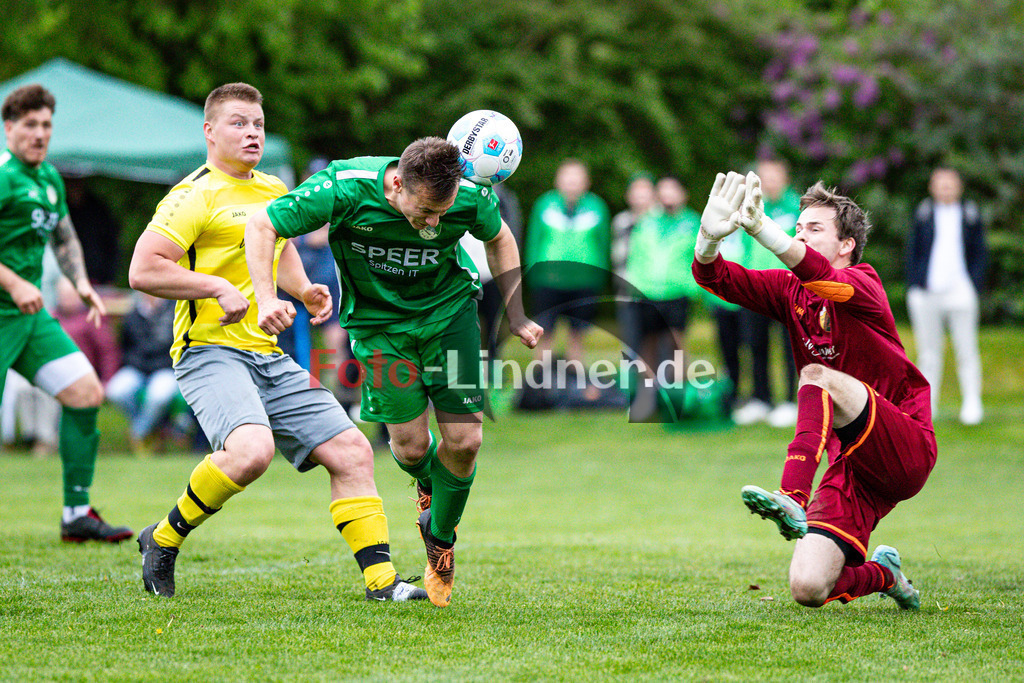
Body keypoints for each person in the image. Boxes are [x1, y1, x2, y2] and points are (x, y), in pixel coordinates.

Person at [128, 82, 426, 602]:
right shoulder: (192, 195)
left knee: (353, 450)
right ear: (210, 130)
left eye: (258, 125)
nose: (251, 134)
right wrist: (216, 287)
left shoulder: (269, 188)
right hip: (207, 352)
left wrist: (303, 289)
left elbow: (277, 247)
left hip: (266, 354)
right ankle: (164, 538)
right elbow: (143, 269)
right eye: (238, 123)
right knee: (251, 452)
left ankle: (383, 584)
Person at [244, 137, 542, 607]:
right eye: (425, 211)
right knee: (409, 448)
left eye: (442, 214)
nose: (434, 224)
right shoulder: (342, 187)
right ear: (398, 183)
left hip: (449, 317)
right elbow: (262, 225)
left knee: (466, 441)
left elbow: (499, 237)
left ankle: (440, 541)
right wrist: (266, 297)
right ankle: (429, 486)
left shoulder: (467, 193)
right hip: (380, 329)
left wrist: (517, 312)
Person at [693, 171, 936, 611]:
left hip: (906, 443)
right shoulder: (790, 292)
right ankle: (887, 574)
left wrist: (763, 231)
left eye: (814, 228)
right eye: (798, 227)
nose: (800, 234)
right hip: (854, 467)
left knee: (815, 375)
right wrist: (708, 239)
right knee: (807, 588)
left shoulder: (864, 282)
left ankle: (792, 496)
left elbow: (819, 276)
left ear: (846, 245)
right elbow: (718, 281)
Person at [0, 84, 132, 543]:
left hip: (29, 319)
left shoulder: (49, 180)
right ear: (9, 127)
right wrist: (14, 282)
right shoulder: (2, 175)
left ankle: (77, 514)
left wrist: (80, 283)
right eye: (30, 125)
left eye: (47, 126)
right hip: (5, 310)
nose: (39, 134)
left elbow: (64, 236)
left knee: (84, 392)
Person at [905, 167, 987, 425]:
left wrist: (974, 284)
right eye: (940, 184)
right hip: (927, 291)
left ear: (959, 187)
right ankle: (928, 405)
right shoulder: (924, 214)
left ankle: (972, 403)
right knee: (928, 353)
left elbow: (979, 253)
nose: (945, 189)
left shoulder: (970, 214)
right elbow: (912, 251)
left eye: (950, 184)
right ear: (932, 187)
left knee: (967, 349)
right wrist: (915, 284)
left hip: (961, 290)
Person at [732, 158, 801, 427]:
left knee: (789, 346)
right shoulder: (750, 206)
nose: (769, 182)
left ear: (785, 177)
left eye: (774, 176)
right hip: (755, 286)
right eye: (763, 177)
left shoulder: (797, 206)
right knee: (755, 345)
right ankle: (761, 399)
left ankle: (789, 401)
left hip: (788, 286)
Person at [524, 159, 608, 369]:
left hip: (584, 282)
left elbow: (604, 243)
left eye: (577, 177)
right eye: (567, 177)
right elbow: (533, 240)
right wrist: (531, 275)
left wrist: (600, 277)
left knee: (577, 337)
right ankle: (540, 386)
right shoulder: (544, 203)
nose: (572, 182)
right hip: (547, 280)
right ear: (557, 180)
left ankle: (575, 386)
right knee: (544, 335)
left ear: (586, 182)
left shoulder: (597, 206)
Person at [104, 292, 181, 454]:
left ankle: (137, 433)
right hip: (137, 368)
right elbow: (125, 346)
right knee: (116, 391)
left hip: (165, 367)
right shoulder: (132, 313)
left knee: (158, 396)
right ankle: (150, 430)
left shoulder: (174, 310)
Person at [611, 173, 656, 361]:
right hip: (627, 293)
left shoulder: (660, 222)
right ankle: (630, 387)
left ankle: (656, 388)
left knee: (656, 346)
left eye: (645, 191)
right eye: (636, 191)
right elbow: (617, 258)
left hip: (655, 294)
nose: (640, 196)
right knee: (631, 346)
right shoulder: (621, 222)